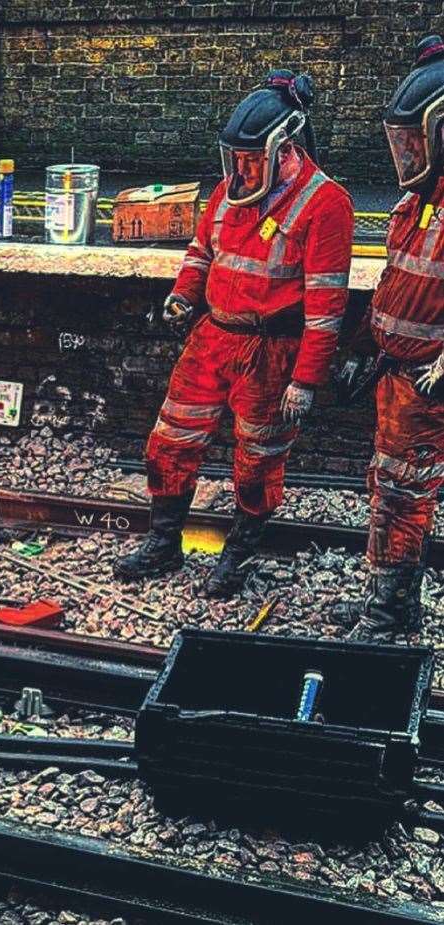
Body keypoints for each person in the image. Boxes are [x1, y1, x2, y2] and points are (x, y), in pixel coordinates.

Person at [114, 70, 355, 598]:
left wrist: (305, 380)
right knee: (170, 439)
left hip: (272, 350)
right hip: (213, 337)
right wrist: (184, 293)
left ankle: (238, 557)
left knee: (257, 461)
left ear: (285, 149)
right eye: (237, 160)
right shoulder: (230, 191)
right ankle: (164, 543)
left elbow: (326, 307)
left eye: (251, 161)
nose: (242, 172)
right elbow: (201, 253)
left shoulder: (325, 204)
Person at [340, 36, 444, 638]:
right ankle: (389, 599)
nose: (405, 156)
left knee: (405, 492)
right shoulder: (417, 203)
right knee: (386, 484)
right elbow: (398, 285)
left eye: (414, 143)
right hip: (397, 373)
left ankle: (390, 613)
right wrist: (368, 350)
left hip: (428, 384)